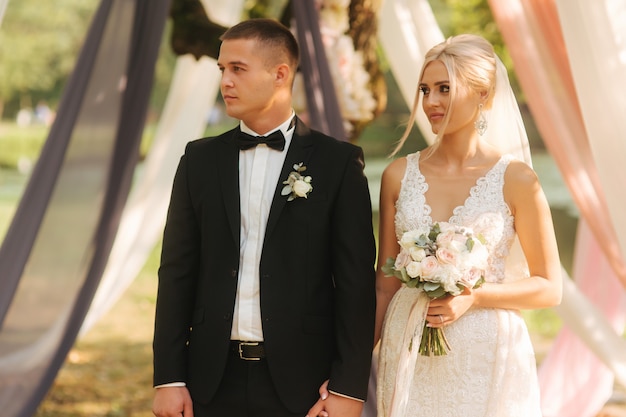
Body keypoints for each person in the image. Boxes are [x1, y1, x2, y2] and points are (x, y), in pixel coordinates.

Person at [151, 18, 377, 417]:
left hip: (304, 386)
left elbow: (356, 285)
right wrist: (169, 378)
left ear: (280, 74)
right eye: (222, 69)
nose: (225, 81)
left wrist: (348, 388)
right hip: (209, 382)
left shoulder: (337, 164)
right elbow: (176, 272)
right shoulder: (198, 160)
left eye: (238, 69)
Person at [374, 34, 562, 416]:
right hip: (408, 346)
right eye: (425, 89)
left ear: (484, 95)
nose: (431, 102)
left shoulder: (518, 180)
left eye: (445, 88)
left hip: (487, 353)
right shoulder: (397, 175)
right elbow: (385, 283)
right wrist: (354, 368)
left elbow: (548, 288)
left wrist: (475, 295)